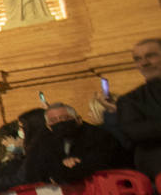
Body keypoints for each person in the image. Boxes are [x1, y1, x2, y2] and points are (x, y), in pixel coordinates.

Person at [24, 103, 128, 185]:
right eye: (54, 120)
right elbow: (34, 168)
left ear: (78, 120)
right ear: (49, 126)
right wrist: (60, 167)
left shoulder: (97, 135)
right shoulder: (48, 142)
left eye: (65, 118)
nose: (60, 123)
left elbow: (98, 161)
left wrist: (70, 166)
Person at [103, 37, 161, 177]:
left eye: (150, 56)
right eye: (138, 59)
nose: (144, 63)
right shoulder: (129, 100)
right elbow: (136, 132)